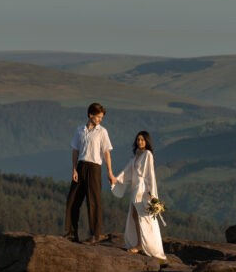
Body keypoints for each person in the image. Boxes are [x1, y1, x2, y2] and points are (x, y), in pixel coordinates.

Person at [64, 102, 116, 244]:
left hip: (94, 168)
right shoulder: (80, 130)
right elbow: (75, 150)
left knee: (93, 201)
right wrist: (74, 169)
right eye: (98, 116)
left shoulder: (102, 132)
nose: (100, 119)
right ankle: (72, 233)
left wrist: (110, 173)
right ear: (90, 115)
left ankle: (96, 234)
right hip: (81, 166)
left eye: (101, 117)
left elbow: (106, 153)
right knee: (73, 200)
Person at [111, 130, 166, 260]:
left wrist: (152, 194)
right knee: (136, 216)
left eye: (142, 139)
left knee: (143, 217)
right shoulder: (135, 156)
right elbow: (127, 172)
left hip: (142, 189)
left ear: (146, 141)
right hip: (135, 189)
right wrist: (115, 179)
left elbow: (150, 175)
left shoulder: (147, 154)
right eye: (138, 140)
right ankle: (140, 243)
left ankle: (145, 245)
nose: (140, 142)